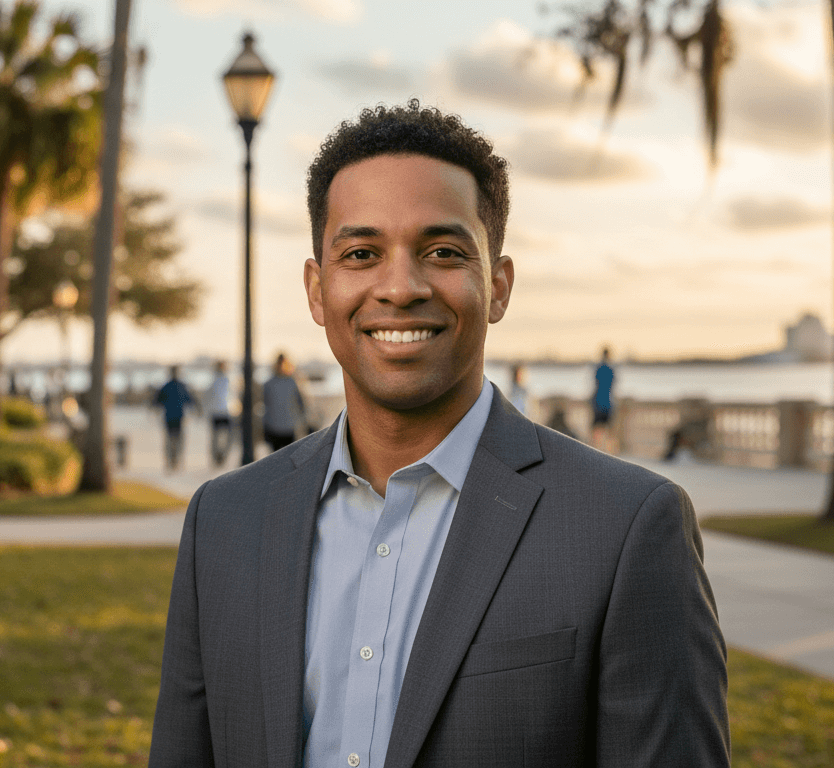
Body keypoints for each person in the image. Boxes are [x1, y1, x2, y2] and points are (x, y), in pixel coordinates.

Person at [149, 102, 728, 767]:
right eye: (361, 254)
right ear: (317, 290)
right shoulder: (224, 521)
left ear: (498, 286)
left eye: (443, 252)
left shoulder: (625, 528)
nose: (400, 287)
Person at [262, 352, 307, 453]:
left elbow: (300, 404)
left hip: (285, 427)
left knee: (280, 457)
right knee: (282, 457)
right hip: (276, 427)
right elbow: (301, 405)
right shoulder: (272, 384)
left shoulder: (288, 382)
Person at [153, 365, 193, 472]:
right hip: (177, 417)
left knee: (170, 440)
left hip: (170, 417)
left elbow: (157, 401)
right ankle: (175, 460)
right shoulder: (182, 386)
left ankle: (172, 461)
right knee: (177, 440)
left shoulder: (166, 386)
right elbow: (190, 400)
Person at [206, 360, 234, 467]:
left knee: (225, 437)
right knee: (217, 437)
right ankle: (217, 457)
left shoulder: (226, 379)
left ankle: (220, 456)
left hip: (225, 412)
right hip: (218, 412)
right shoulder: (216, 379)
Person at [592, 346, 616, 452]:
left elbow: (596, 384)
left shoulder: (599, 368)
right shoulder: (610, 369)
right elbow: (613, 386)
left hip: (599, 402)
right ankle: (608, 451)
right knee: (608, 430)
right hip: (607, 403)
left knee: (596, 430)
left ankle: (595, 450)